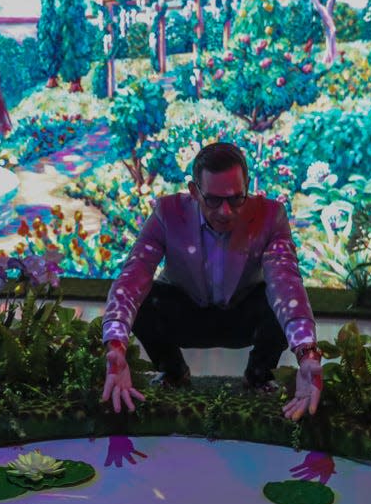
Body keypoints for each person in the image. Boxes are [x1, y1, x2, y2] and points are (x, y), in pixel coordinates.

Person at [99, 141, 323, 421]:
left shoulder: (270, 215)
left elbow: (285, 281)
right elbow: (134, 276)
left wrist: (307, 353)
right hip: (185, 313)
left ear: (247, 187)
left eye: (235, 199)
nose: (225, 211)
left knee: (273, 298)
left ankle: (258, 377)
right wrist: (116, 344)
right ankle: (174, 373)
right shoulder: (168, 212)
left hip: (242, 314)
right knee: (147, 299)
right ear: (194, 191)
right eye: (214, 200)